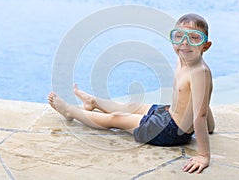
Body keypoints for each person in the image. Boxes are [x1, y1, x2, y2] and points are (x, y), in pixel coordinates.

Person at [48, 13, 215, 174]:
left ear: (205, 46)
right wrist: (211, 127)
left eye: (194, 38)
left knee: (117, 118)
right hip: (168, 113)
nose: (185, 43)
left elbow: (199, 115)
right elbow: (201, 101)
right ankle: (93, 102)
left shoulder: (200, 73)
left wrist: (203, 155)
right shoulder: (182, 59)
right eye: (179, 36)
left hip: (170, 131)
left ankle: (72, 112)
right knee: (132, 106)